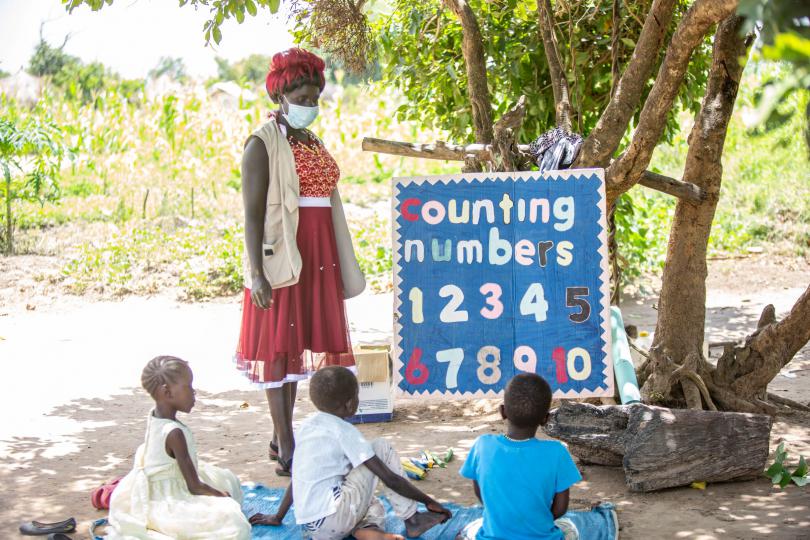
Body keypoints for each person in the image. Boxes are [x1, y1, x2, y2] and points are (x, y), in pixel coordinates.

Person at [234, 47, 366, 476]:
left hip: (319, 254)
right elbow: (253, 216)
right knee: (277, 345)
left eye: (315, 99)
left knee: (297, 343)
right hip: (284, 255)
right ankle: (285, 440)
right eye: (303, 99)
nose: (311, 106)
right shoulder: (262, 143)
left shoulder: (310, 139)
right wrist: (256, 273)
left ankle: (280, 437)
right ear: (281, 96)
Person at [249, 366, 452, 540]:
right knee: (381, 448)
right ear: (349, 403)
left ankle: (366, 529)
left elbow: (299, 479)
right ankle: (412, 519)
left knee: (373, 502)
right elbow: (391, 479)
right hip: (335, 515)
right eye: (357, 395)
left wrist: (278, 515)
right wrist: (428, 501)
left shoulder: (307, 427)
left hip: (314, 527)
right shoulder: (345, 432)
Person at [106, 356, 250, 540]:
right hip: (171, 499)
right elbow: (194, 486)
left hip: (164, 485)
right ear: (167, 393)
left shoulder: (155, 416)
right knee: (233, 523)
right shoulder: (174, 433)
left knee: (227, 480)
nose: (194, 392)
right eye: (188, 387)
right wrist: (221, 495)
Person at [457, 373, 582, 540]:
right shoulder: (557, 452)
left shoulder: (482, 445)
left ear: (503, 411)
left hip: (493, 535)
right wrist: (537, 522)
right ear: (545, 419)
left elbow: (481, 494)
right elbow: (560, 508)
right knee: (569, 528)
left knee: (469, 530)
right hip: (542, 535)